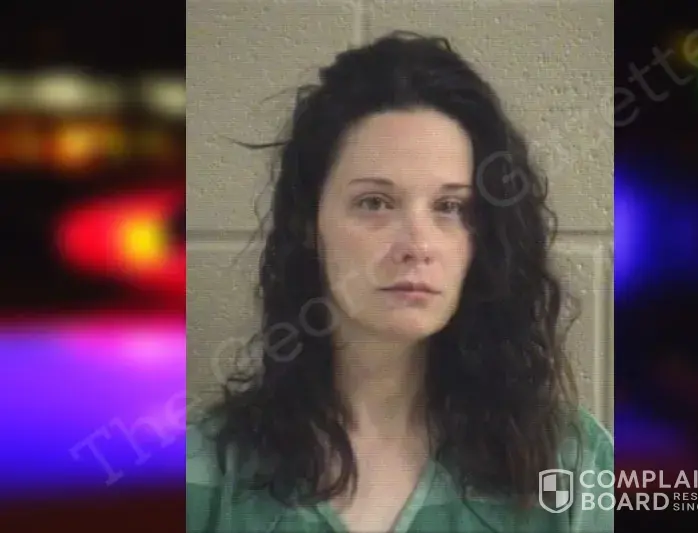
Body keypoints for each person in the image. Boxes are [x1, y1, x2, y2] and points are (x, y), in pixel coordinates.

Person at [187, 31, 613, 533]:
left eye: (450, 207)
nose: (417, 244)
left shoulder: (572, 463)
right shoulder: (207, 472)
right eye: (375, 202)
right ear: (308, 224)